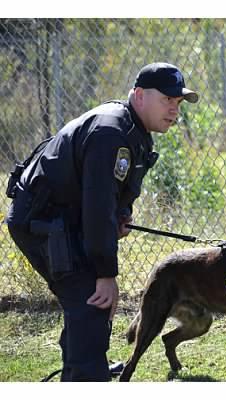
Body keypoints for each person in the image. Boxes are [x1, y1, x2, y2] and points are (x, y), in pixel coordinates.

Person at [5, 62, 198, 381]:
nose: (174, 109)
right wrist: (106, 273)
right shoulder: (112, 133)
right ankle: (85, 373)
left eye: (177, 103)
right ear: (139, 96)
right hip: (42, 221)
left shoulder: (133, 130)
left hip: (65, 219)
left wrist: (119, 217)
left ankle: (83, 365)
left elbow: (109, 198)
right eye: (167, 100)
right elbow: (96, 206)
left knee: (90, 303)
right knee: (92, 301)